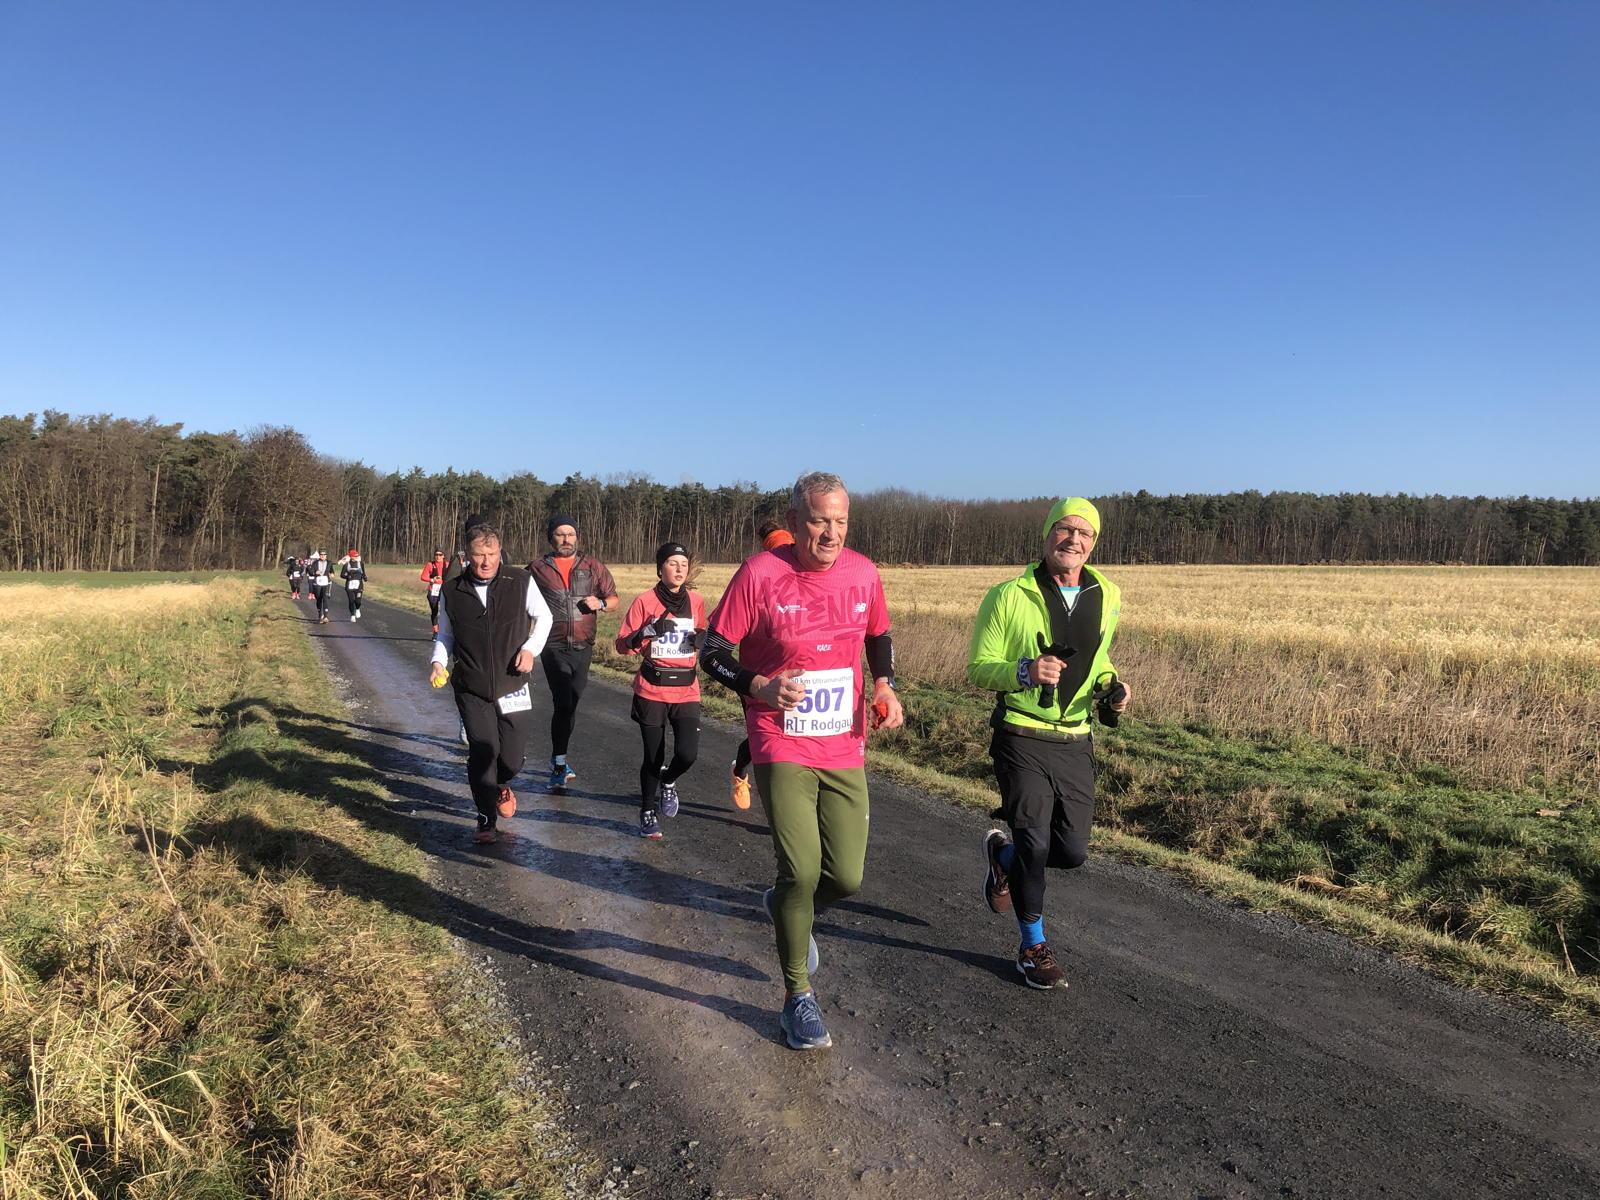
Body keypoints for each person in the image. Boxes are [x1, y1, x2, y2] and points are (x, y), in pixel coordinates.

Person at [700, 471, 903, 1051]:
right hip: (779, 736)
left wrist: (884, 686)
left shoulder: (863, 572)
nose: (831, 534)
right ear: (794, 523)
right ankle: (798, 997)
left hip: (843, 739)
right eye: (819, 521)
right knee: (801, 870)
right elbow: (712, 651)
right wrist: (759, 686)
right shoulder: (760, 573)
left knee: (846, 877)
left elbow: (878, 634)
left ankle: (784, 907)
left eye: (841, 522)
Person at [967, 497, 1131, 990]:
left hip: (1075, 737)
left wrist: (1112, 687)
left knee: (1071, 851)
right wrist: (1025, 671)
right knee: (1035, 843)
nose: (1073, 540)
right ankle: (1032, 947)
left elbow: (1098, 661)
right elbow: (979, 668)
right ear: (1047, 534)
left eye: (1085, 533)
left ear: (1094, 543)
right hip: (1020, 732)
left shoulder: (1107, 594)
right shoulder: (1008, 595)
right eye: (1064, 529)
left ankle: (1003, 859)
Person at [429, 523, 554, 844]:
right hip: (472, 686)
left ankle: (501, 785)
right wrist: (438, 662)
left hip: (513, 684)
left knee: (511, 758)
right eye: (478, 555)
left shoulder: (520, 581)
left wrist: (530, 649)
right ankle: (485, 819)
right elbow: (445, 634)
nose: (486, 561)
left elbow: (545, 618)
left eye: (492, 554)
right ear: (466, 555)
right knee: (483, 751)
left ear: (500, 552)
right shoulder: (452, 591)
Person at [615, 542, 707, 839]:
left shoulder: (696, 601)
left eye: (683, 564)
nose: (679, 569)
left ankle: (669, 780)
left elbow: (705, 636)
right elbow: (622, 645)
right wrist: (647, 631)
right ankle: (647, 811)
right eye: (672, 563)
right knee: (653, 756)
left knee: (687, 754)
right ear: (660, 568)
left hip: (686, 688)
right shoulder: (644, 601)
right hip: (652, 688)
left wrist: (701, 640)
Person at [528, 513, 618, 790]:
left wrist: (600, 604)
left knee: (572, 703)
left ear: (577, 537)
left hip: (583, 645)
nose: (566, 539)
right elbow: (519, 600)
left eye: (571, 534)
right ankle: (558, 763)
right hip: (552, 645)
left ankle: (559, 757)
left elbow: (614, 599)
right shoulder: (537, 568)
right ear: (551, 538)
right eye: (560, 534)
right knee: (564, 702)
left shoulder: (592, 566)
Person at [729, 521, 796, 811]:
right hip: (759, 676)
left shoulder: (806, 570)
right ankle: (741, 771)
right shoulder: (756, 575)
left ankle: (796, 809)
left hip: (797, 675)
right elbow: (724, 626)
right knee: (765, 735)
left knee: (794, 736)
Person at [420, 550, 448, 633]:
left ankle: (444, 631)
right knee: (434, 611)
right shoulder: (430, 565)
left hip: (444, 589)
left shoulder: (447, 564)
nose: (438, 556)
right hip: (433, 590)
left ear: (443, 556)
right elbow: (423, 577)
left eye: (440, 554)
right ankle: (436, 631)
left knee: (446, 611)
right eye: (436, 554)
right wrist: (432, 579)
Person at [339, 548, 367, 621]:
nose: (356, 557)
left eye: (357, 556)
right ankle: (352, 615)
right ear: (351, 557)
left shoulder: (361, 563)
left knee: (358, 601)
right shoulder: (346, 565)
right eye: (355, 556)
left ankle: (357, 609)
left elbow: (363, 573)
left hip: (359, 585)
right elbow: (342, 575)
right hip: (350, 585)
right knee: (351, 600)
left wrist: (365, 577)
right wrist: (348, 576)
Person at [307, 550, 333, 624]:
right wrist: (314, 572)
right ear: (319, 556)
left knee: (325, 598)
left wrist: (332, 574)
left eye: (324, 555)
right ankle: (320, 615)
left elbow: (331, 570)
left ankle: (325, 616)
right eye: (321, 555)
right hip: (317, 582)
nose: (322, 556)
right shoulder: (315, 563)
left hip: (326, 582)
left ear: (326, 556)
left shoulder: (329, 563)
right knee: (319, 598)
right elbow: (310, 571)